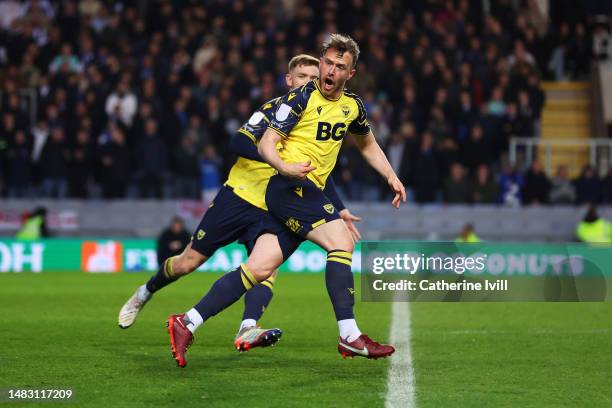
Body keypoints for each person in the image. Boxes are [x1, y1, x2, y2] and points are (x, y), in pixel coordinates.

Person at [167, 34, 405, 367]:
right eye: (329, 63)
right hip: (289, 188)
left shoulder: (353, 106)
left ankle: (187, 321)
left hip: (306, 191)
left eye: (341, 66)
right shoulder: (299, 99)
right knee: (341, 242)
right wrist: (284, 166)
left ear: (351, 74)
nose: (332, 71)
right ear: (321, 62)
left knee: (258, 269)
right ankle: (350, 335)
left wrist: (391, 176)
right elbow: (266, 143)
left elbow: (366, 144)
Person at [118, 54, 361, 353]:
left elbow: (317, 172)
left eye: (314, 78)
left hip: (275, 206)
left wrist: (340, 209)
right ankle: (146, 291)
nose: (309, 83)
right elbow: (238, 142)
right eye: (302, 77)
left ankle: (247, 327)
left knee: (266, 268)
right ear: (289, 80)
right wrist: (278, 160)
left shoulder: (314, 117)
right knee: (187, 262)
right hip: (239, 198)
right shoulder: (274, 110)